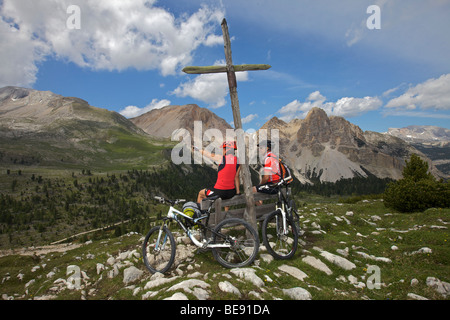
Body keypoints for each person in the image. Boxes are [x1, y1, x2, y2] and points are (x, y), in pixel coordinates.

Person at [194, 141, 241, 205]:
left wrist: (198, 149)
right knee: (226, 196)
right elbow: (236, 177)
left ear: (226, 149)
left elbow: (207, 154)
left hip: (219, 192)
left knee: (201, 193)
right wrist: (238, 192)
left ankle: (200, 212)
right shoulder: (238, 161)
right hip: (231, 193)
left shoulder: (221, 158)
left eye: (223, 149)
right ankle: (226, 213)